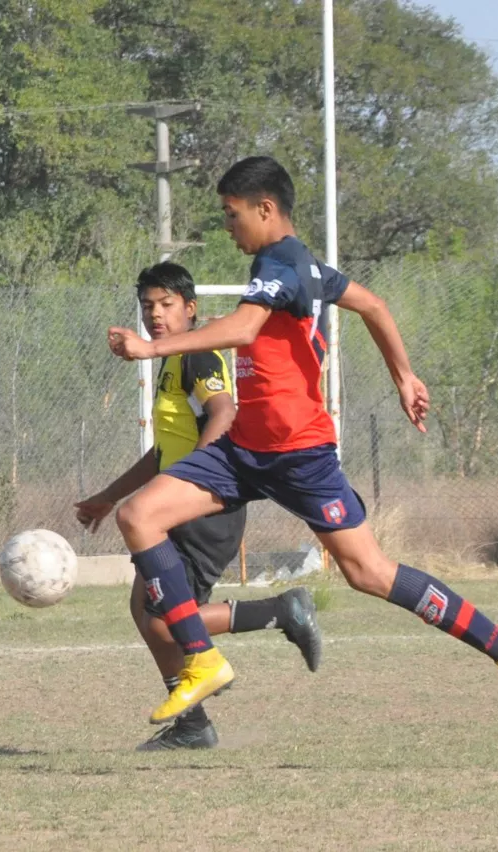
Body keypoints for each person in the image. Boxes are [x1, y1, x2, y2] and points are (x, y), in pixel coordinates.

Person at [106, 157, 498, 733]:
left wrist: (149, 349)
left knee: (369, 573)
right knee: (139, 515)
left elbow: (244, 329)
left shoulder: (284, 260)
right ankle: (202, 660)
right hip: (245, 449)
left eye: (231, 214)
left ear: (265, 209)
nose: (227, 226)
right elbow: (371, 305)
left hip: (297, 452)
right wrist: (404, 376)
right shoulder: (304, 266)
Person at [76, 261, 321, 751]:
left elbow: (225, 413)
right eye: (148, 306)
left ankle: (280, 611)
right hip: (177, 502)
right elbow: (162, 452)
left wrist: (193, 481)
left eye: (166, 305)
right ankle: (192, 722)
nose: (156, 315)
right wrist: (111, 496)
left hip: (202, 508)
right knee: (144, 609)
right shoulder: (171, 361)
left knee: (164, 619)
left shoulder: (200, 354)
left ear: (190, 308)